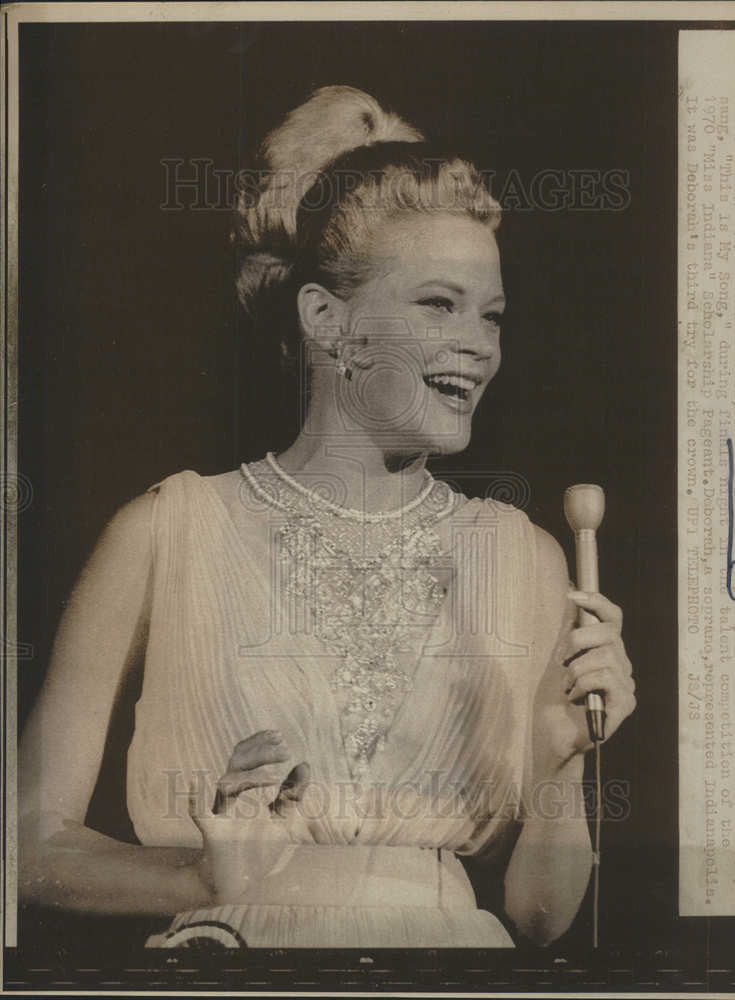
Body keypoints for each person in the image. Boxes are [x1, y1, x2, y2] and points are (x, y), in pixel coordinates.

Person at [19, 85, 636, 949]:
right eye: (437, 304)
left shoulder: (525, 556)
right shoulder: (166, 529)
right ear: (326, 320)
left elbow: (537, 918)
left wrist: (561, 763)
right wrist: (195, 876)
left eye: (491, 315)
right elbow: (21, 849)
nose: (479, 345)